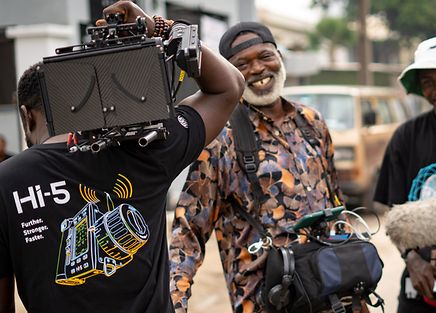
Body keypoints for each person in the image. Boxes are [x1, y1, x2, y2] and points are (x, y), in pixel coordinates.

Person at [0, 1, 244, 312]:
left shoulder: (5, 182)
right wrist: (159, 28)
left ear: (26, 115)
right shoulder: (146, 146)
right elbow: (229, 87)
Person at [169, 22, 343, 313]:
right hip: (267, 301)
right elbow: (188, 232)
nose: (258, 69)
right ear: (231, 75)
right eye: (242, 64)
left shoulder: (312, 122)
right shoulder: (221, 138)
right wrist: (173, 301)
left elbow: (336, 200)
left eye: (265, 56)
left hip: (334, 293)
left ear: (280, 58)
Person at [374, 35, 436, 313]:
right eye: (429, 82)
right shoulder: (406, 138)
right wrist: (413, 261)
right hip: (422, 290)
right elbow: (394, 214)